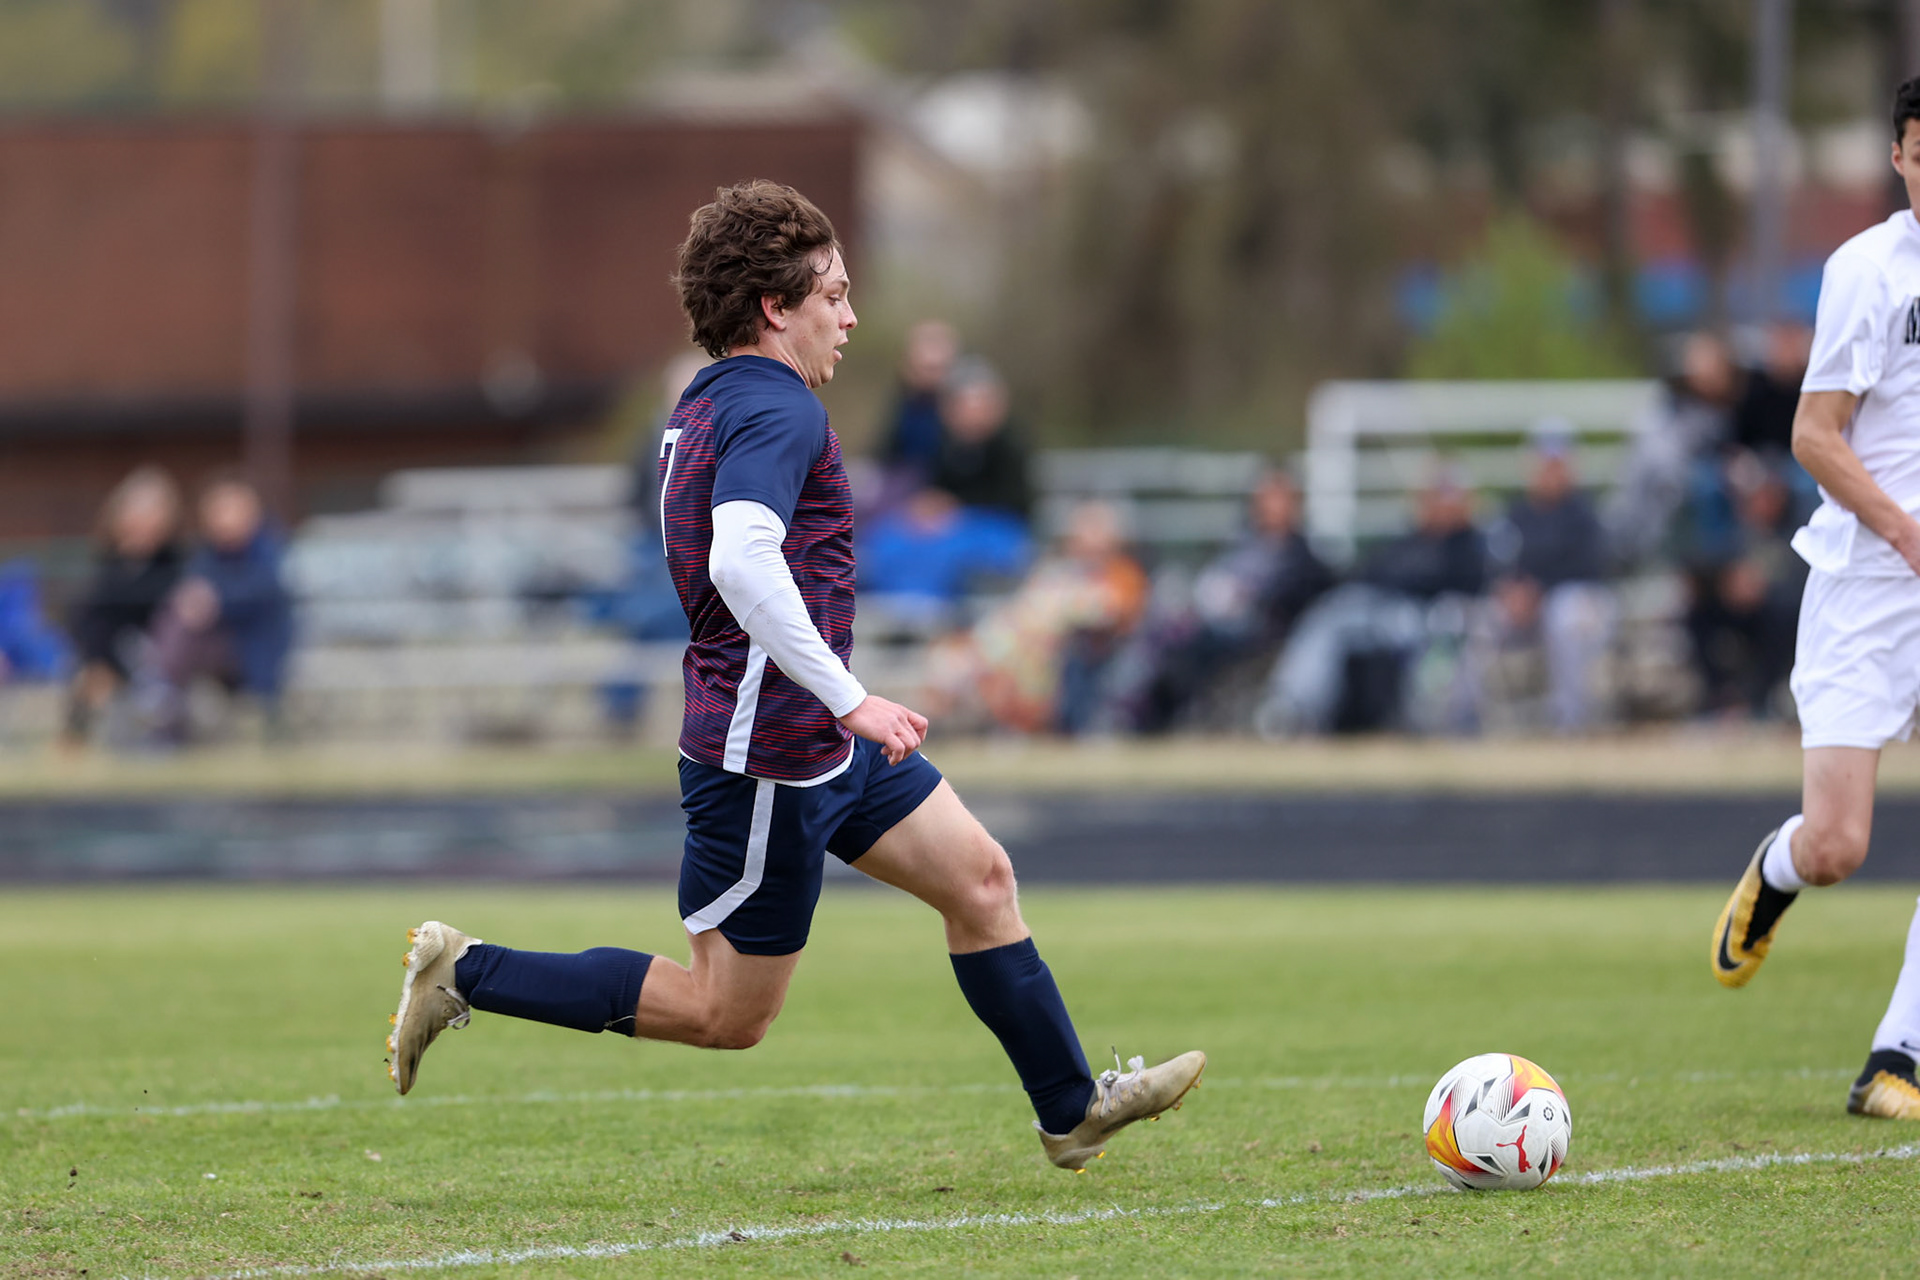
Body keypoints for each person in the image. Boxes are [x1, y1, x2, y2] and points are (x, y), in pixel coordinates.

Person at [386, 180, 1204, 1169]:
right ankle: (468, 969)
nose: (851, 317)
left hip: (811, 736)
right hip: (770, 751)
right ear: (775, 306)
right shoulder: (780, 411)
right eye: (834, 296)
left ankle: (1071, 1109)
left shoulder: (711, 398)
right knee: (724, 1011)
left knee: (983, 880)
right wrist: (848, 695)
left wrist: (837, 705)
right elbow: (739, 556)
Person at [1710, 77, 1920, 1123]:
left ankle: (1900, 1053)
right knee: (1841, 843)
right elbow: (1815, 435)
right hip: (1871, 576)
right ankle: (1778, 869)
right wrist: (1906, 529)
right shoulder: (1869, 273)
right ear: (1898, 158)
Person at [1122, 469, 1333, 733]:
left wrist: (1250, 601)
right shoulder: (1242, 545)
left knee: (1190, 646)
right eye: (1265, 500)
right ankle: (1134, 709)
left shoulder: (1302, 556)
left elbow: (1301, 596)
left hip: (1259, 632)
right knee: (1161, 630)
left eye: (1279, 500)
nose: (1271, 508)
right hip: (1213, 620)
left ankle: (1156, 714)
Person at [145, 473, 294, 742]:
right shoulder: (206, 555)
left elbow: (260, 594)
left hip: (252, 653)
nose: (224, 519)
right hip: (208, 647)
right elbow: (192, 592)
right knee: (178, 618)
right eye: (217, 511)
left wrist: (214, 600)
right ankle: (161, 693)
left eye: (230, 510)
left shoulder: (268, 550)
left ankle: (157, 692)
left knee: (181, 626)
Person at [1483, 433, 1614, 733]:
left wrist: (1538, 590)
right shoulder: (1517, 514)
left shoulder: (1584, 513)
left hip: (1578, 601)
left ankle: (1571, 722)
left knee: (1565, 615)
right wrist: (1511, 592)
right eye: (1544, 464)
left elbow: (1591, 566)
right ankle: (1471, 723)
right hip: (1525, 607)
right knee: (1481, 620)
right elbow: (1498, 564)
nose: (1551, 473)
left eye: (1557, 464)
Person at [62, 466, 185, 746]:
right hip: (107, 656)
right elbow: (89, 617)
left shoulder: (173, 565)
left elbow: (156, 614)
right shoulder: (108, 565)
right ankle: (74, 742)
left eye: (152, 510)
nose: (143, 520)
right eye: (136, 510)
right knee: (91, 675)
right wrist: (98, 660)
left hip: (154, 657)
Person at [929, 356, 1034, 525]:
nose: (973, 414)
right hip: (948, 524)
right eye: (965, 406)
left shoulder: (1011, 445)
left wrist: (957, 506)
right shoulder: (943, 444)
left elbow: (1015, 500)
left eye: (980, 405)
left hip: (999, 524)